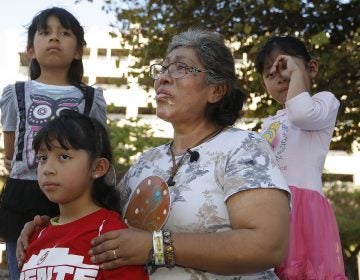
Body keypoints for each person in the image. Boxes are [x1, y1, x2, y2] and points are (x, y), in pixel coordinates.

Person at [18, 28, 291, 279]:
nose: (163, 78)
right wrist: (51, 228)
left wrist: (155, 246)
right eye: (162, 69)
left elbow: (267, 246)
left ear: (216, 90)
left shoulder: (243, 148)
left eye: (181, 68)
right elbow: (95, 216)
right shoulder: (145, 163)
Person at [0, 7, 107, 279]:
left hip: (77, 196)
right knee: (24, 268)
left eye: (65, 33)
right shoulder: (15, 93)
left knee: (75, 264)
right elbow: (11, 144)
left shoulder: (92, 97)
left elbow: (99, 146)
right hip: (23, 194)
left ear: (79, 51)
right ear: (31, 50)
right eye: (45, 32)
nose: (55, 38)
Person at [255, 35, 346, 279]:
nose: (279, 77)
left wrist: (296, 75)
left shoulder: (323, 102)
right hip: (269, 205)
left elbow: (300, 115)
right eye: (270, 74)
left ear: (311, 67)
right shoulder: (269, 122)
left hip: (302, 209)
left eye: (285, 67)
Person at [19, 110, 148, 279]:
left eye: (64, 157)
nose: (47, 169)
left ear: (97, 168)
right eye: (42, 158)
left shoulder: (110, 235)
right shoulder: (35, 235)